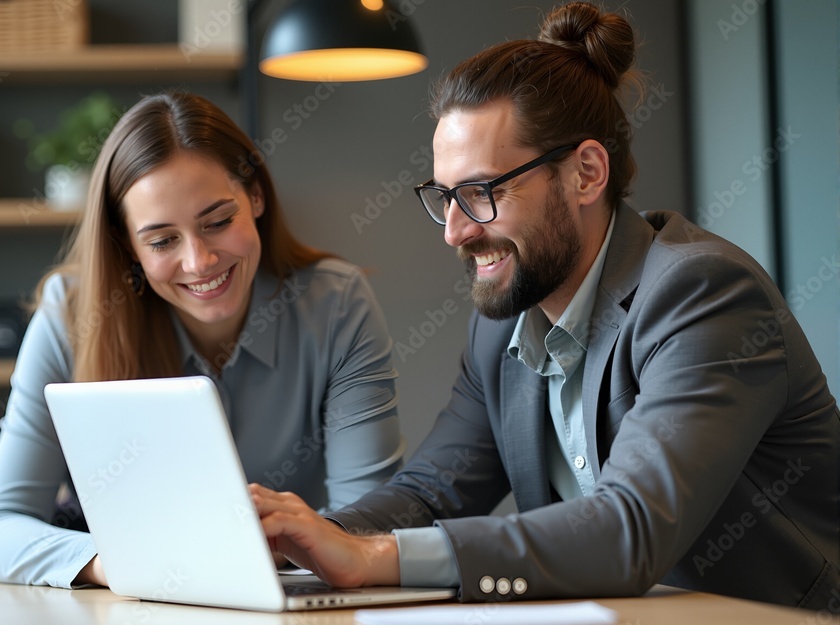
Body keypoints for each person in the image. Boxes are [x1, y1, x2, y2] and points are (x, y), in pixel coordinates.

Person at [251, 1, 840, 611]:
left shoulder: (705, 295)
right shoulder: (505, 321)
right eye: (445, 196)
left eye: (481, 192)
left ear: (586, 173)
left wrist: (376, 559)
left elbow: (630, 529)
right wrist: (312, 537)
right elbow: (432, 494)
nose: (454, 231)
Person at [0, 92, 406, 588]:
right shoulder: (70, 315)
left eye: (218, 222)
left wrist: (278, 546)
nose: (199, 261)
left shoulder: (336, 304)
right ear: (127, 246)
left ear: (256, 196)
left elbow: (370, 526)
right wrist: (121, 562)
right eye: (161, 240)